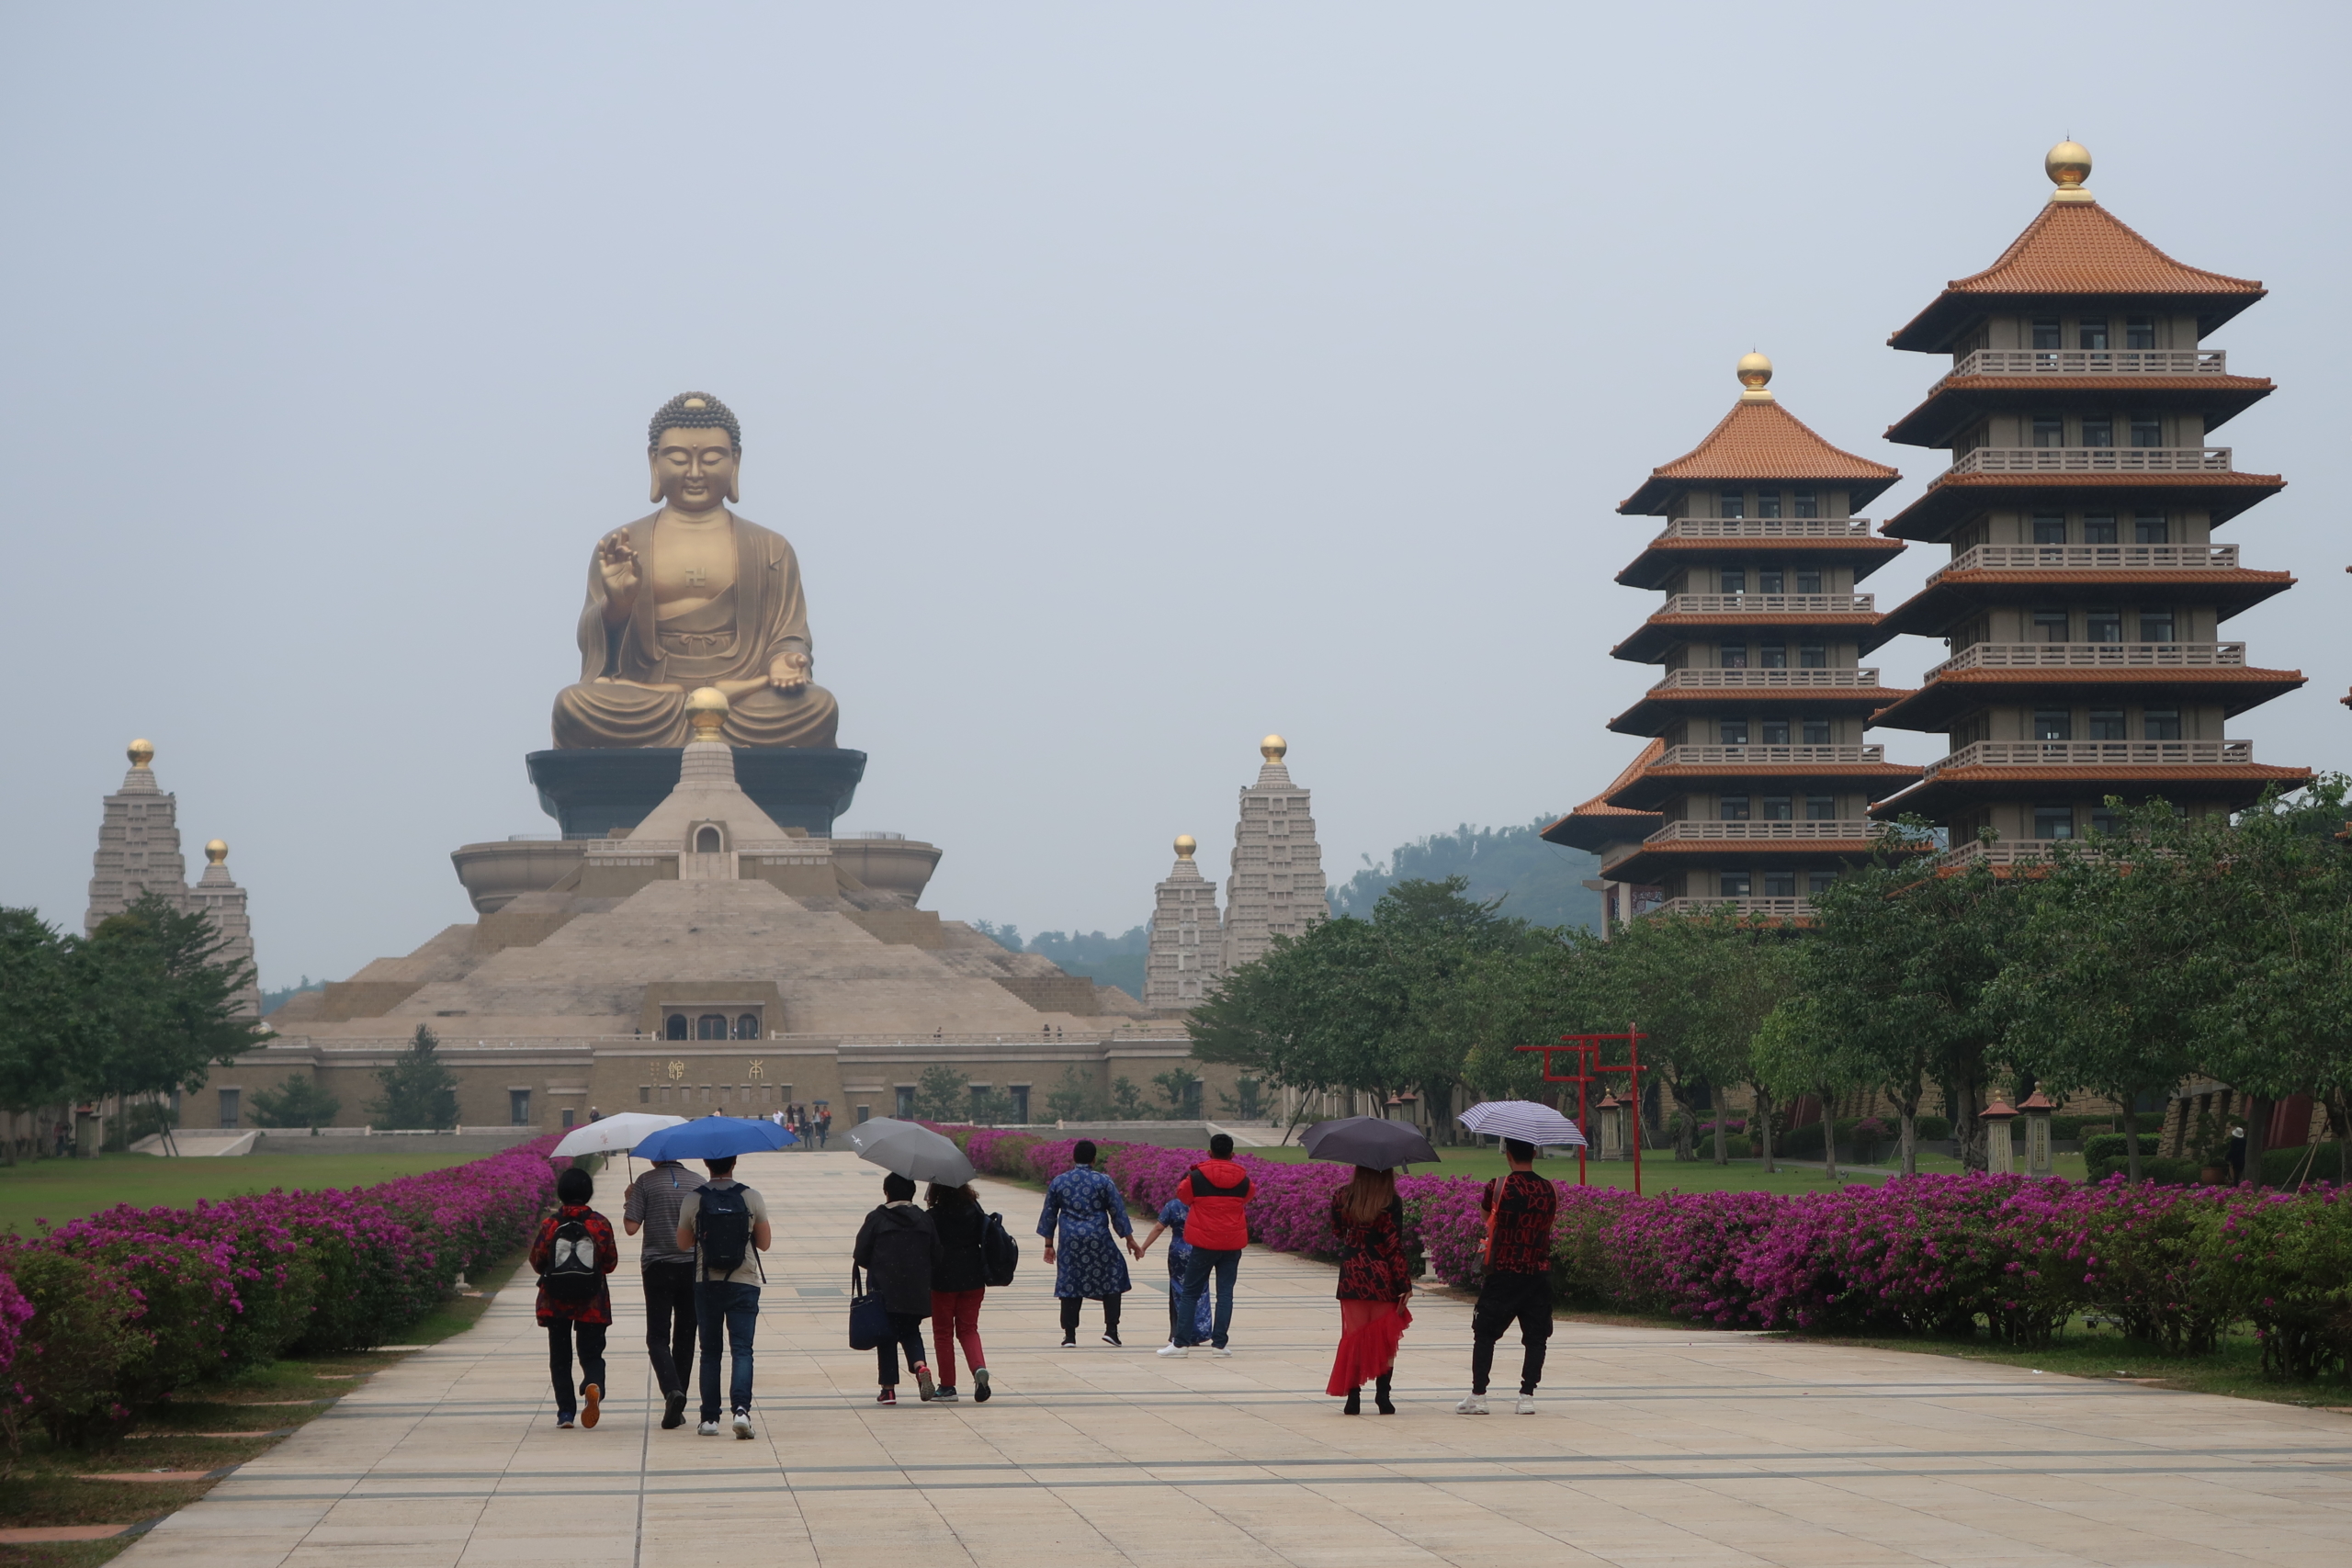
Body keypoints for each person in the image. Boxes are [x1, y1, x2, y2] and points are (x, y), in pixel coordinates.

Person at [673, 1154, 772, 1438]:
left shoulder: (694, 1198)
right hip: (744, 1282)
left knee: (710, 1351)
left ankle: (709, 1419)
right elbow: (764, 1244)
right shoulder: (751, 1196)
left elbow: (682, 1244)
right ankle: (741, 1411)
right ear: (734, 1162)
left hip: (707, 1282)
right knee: (742, 1350)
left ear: (706, 1163)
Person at [1458, 1137, 1559, 1416]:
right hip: (1537, 1272)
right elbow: (1548, 1223)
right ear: (1535, 1153)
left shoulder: (1498, 1186)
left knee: (1485, 1333)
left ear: (1508, 1154)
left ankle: (1479, 1395)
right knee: (1536, 1336)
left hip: (1504, 1270)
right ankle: (1526, 1396)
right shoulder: (1550, 1189)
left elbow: (1486, 1219)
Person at [530, 1166, 620, 1429]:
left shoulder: (551, 1224)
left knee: (560, 1358)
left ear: (561, 1193)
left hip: (555, 1301)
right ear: (588, 1193)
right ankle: (594, 1383)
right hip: (592, 1301)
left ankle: (566, 1413)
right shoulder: (599, 1224)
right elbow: (611, 1262)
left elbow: (537, 1261)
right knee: (592, 1354)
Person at [623, 1154, 707, 1429]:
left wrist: (630, 1199)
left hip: (657, 1267)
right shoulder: (698, 1182)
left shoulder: (645, 1183)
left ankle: (672, 1390)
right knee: (685, 1335)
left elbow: (631, 1227)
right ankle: (679, 1394)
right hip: (690, 1267)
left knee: (657, 1336)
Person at [1326, 1165, 1411, 1415]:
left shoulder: (1342, 1196)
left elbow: (1338, 1231)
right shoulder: (1391, 1201)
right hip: (1382, 1275)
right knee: (1385, 1338)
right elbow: (1394, 1245)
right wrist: (1404, 1284)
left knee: (1353, 1336)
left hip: (1352, 1274)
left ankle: (1353, 1397)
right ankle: (1383, 1396)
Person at [1037, 1140, 1137, 1346]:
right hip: (1098, 1239)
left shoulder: (1059, 1181)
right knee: (1113, 1275)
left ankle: (1070, 1335)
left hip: (1070, 1241)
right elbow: (1117, 1211)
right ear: (1094, 1159)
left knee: (1070, 1282)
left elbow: (1049, 1214)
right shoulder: (1104, 1181)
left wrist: (1049, 1245)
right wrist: (1129, 1239)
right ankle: (1111, 1329)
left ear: (1073, 1158)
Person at [1159, 1133, 1250, 1358]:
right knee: (1225, 1293)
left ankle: (1180, 1344)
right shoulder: (1244, 1179)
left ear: (1209, 1152)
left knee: (1190, 1292)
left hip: (1203, 1242)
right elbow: (1248, 1197)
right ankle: (1219, 1344)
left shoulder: (1196, 1177)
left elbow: (1183, 1196)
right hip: (1232, 1242)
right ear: (1232, 1154)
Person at [854, 1173, 943, 1404]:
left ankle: (888, 1390)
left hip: (884, 1288)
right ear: (912, 1193)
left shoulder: (877, 1218)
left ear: (887, 1192)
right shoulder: (924, 1219)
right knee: (911, 1330)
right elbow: (937, 1254)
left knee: (887, 1335)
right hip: (916, 1289)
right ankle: (920, 1366)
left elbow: (861, 1254)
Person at [925, 1180, 993, 1403]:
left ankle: (947, 1386)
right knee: (969, 1329)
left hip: (943, 1280)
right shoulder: (974, 1210)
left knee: (943, 1333)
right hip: (974, 1278)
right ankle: (978, 1368)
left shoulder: (934, 1216)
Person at [1134, 1194, 1214, 1348]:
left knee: (1179, 1290)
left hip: (1179, 1251)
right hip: (1201, 1250)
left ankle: (1181, 1331)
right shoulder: (1206, 1205)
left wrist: (1143, 1248)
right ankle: (1199, 1331)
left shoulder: (1173, 1205)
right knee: (1201, 1289)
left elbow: (1159, 1227)